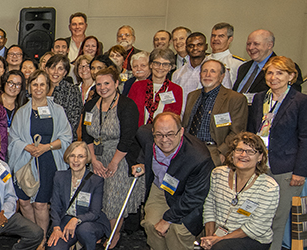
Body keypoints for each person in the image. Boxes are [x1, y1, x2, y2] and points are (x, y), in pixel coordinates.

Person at [245, 56, 307, 250]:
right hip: (260, 167)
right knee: (256, 214)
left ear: (291, 76)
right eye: (270, 72)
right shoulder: (259, 98)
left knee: (278, 218)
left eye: (280, 73)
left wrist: (300, 171)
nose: (274, 77)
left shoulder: (300, 101)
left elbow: (305, 138)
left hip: (286, 169)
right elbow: (251, 132)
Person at [9, 69, 73, 246]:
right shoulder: (21, 112)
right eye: (35, 84)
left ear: (48, 87)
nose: (38, 88)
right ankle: (33, 234)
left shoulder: (58, 111)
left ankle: (42, 239)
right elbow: (13, 138)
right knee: (24, 201)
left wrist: (47, 146)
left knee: (40, 204)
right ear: (29, 87)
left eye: (42, 84)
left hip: (48, 161)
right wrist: (26, 146)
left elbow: (67, 138)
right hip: (25, 161)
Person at [131, 112, 212, 250]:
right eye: (159, 134)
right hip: (161, 188)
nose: (164, 139)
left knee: (178, 232)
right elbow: (147, 149)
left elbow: (194, 197)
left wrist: (167, 219)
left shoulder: (198, 158)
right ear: (153, 132)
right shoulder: (146, 135)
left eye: (170, 134)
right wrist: (142, 163)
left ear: (181, 132)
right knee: (151, 224)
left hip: (187, 196)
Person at [81, 67, 141, 248]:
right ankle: (102, 230)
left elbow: (128, 138)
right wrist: (93, 160)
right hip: (96, 157)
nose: (102, 87)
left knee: (113, 200)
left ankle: (114, 236)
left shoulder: (127, 105)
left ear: (116, 83)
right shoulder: (91, 105)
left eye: (107, 83)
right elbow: (86, 135)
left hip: (120, 157)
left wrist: (114, 162)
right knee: (96, 199)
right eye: (98, 84)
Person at [200, 133, 278, 250]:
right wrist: (210, 237)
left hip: (252, 238)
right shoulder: (218, 174)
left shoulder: (269, 187)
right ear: (232, 154)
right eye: (239, 150)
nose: (243, 155)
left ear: (260, 157)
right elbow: (210, 206)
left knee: (220, 248)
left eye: (250, 152)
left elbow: (256, 227)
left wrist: (219, 240)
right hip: (219, 234)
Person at [46, 141, 110, 250]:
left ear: (87, 159)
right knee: (54, 246)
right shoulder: (59, 177)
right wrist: (56, 228)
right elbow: (55, 206)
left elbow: (95, 212)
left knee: (84, 230)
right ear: (67, 157)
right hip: (66, 219)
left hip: (90, 222)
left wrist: (76, 219)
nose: (76, 160)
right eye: (72, 156)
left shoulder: (96, 181)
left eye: (80, 156)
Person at [182, 60, 248, 165]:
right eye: (204, 71)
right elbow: (186, 125)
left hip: (214, 151)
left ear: (221, 76)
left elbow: (237, 132)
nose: (207, 75)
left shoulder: (235, 99)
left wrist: (222, 152)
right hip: (188, 149)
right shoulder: (192, 96)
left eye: (213, 71)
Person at [233, 29, 304, 95]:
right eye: (248, 44)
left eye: (256, 44)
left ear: (270, 45)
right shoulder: (243, 68)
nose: (251, 48)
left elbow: (291, 99)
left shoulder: (286, 67)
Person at [128, 49, 184, 126]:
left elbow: (175, 117)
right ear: (151, 65)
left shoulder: (176, 90)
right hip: (138, 133)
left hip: (163, 134)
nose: (160, 67)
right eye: (157, 63)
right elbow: (129, 113)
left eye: (165, 64)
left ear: (170, 67)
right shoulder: (137, 86)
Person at [172, 32, 215, 101]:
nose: (195, 48)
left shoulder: (217, 70)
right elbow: (173, 100)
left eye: (199, 45)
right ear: (186, 48)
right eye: (191, 46)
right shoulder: (177, 74)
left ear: (206, 46)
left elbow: (225, 97)